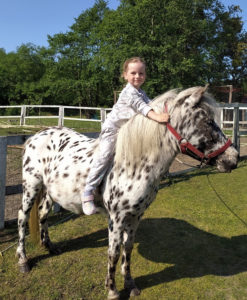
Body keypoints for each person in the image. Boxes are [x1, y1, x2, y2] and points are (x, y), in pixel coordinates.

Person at [82, 57, 170, 215]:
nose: (137, 76)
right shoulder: (129, 92)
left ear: (145, 75)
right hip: (113, 130)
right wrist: (157, 117)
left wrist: (165, 107)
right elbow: (142, 108)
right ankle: (88, 192)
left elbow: (150, 104)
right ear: (125, 75)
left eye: (141, 73)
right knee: (104, 156)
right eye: (133, 73)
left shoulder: (141, 92)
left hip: (126, 132)